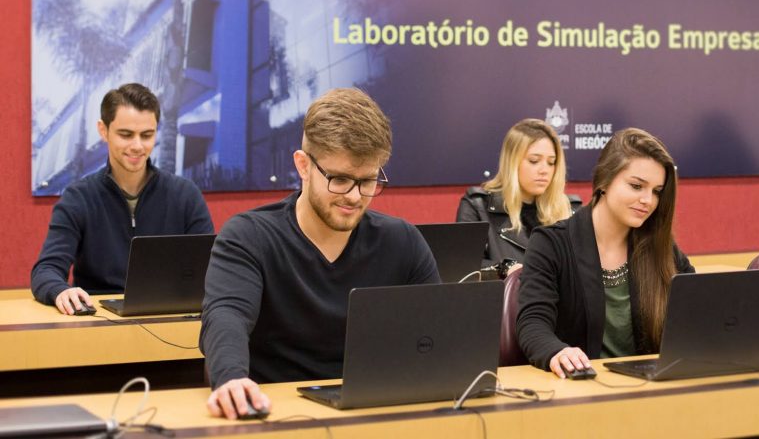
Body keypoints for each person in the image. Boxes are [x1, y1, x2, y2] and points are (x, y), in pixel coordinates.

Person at [200, 87, 439, 419]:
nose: (355, 197)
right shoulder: (248, 237)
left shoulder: (403, 243)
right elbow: (226, 316)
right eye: (339, 180)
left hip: (373, 414)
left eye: (368, 180)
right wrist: (231, 378)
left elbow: (436, 338)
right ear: (303, 165)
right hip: (278, 417)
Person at [515, 128, 694, 378]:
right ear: (604, 182)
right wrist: (557, 352)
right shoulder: (551, 244)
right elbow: (533, 323)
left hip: (653, 390)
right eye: (636, 186)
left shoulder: (662, 249)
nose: (648, 200)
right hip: (582, 390)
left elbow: (696, 312)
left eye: (656, 191)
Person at [31, 83, 213, 315]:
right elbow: (45, 269)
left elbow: (212, 269)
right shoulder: (78, 198)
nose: (137, 146)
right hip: (98, 327)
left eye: (147, 135)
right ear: (103, 130)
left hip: (171, 321)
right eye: (126, 135)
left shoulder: (186, 195)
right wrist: (60, 290)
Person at [456, 119, 579, 275]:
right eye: (534, 161)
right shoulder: (478, 206)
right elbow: (464, 269)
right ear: (512, 162)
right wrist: (505, 268)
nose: (544, 170)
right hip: (502, 298)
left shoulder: (570, 210)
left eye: (551, 162)